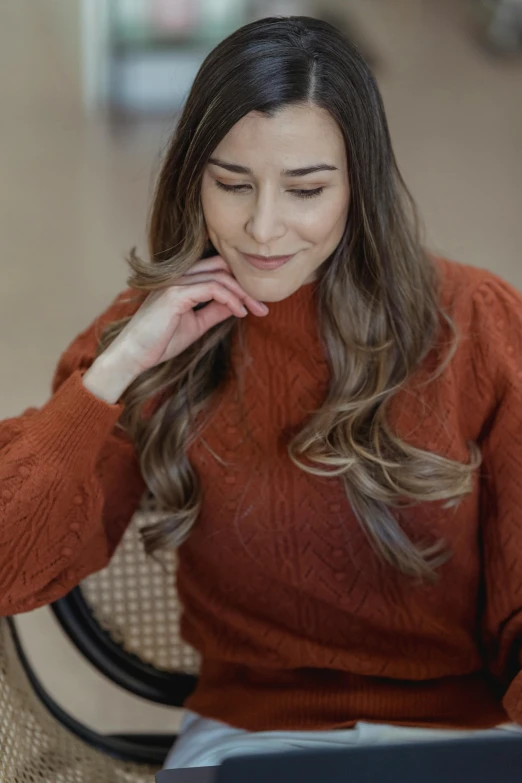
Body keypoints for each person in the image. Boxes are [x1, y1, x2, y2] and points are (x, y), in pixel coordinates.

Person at [1, 15, 522, 771]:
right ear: (193, 179)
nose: (263, 228)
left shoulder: (481, 323)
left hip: (459, 742)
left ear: (359, 187)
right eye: (231, 183)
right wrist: (116, 371)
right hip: (255, 743)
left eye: (306, 188)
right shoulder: (152, 331)